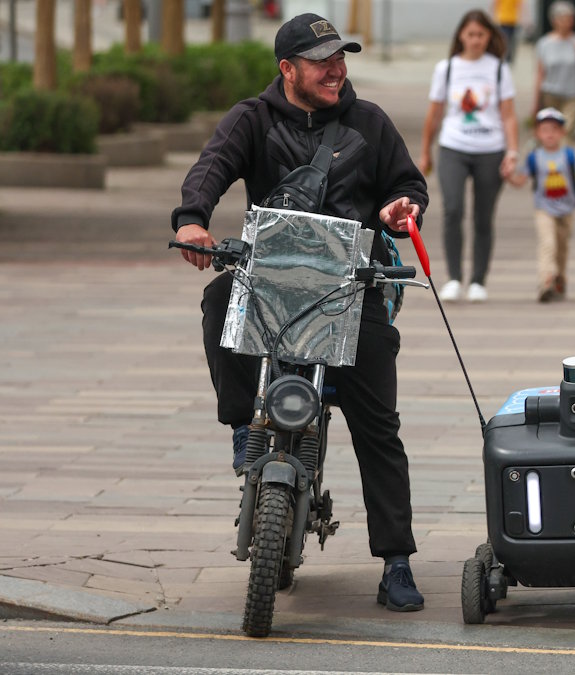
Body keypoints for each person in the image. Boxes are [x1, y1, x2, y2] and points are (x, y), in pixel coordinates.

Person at [171, 13, 428, 612]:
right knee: (217, 299)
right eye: (322, 61)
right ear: (287, 69)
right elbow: (210, 169)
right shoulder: (252, 119)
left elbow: (408, 185)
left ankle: (396, 561)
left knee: (378, 427)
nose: (336, 69)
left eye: (341, 58)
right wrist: (192, 219)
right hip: (270, 278)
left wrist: (399, 210)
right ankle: (243, 426)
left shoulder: (370, 123)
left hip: (351, 284)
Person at [420, 10, 520, 304]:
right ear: (461, 36)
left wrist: (512, 151)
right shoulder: (446, 68)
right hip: (453, 146)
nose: (475, 40)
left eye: (481, 35)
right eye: (470, 34)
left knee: (483, 216)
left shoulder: (499, 68)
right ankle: (453, 278)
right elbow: (434, 114)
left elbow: (509, 115)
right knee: (452, 209)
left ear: (490, 37)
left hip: (491, 149)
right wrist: (425, 150)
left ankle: (478, 280)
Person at [506, 107, 575, 302]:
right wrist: (509, 177)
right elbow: (520, 181)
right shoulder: (534, 157)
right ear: (538, 133)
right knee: (548, 244)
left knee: (562, 247)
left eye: (554, 129)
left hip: (567, 208)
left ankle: (560, 278)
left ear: (562, 132)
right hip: (544, 209)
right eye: (545, 130)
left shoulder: (570, 154)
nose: (549, 134)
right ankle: (546, 281)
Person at [533, 1, 575, 138]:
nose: (567, 22)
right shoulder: (544, 43)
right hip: (551, 93)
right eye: (563, 18)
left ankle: (565, 159)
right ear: (554, 20)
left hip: (574, 94)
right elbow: (541, 73)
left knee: (566, 132)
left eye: (570, 18)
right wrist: (536, 101)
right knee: (550, 134)